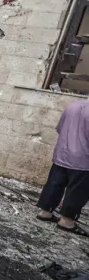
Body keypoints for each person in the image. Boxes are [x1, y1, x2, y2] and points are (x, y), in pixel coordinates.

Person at [36, 98, 89, 236]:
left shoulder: (72, 106)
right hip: (83, 158)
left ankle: (45, 212)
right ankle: (67, 221)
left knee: (54, 184)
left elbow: (60, 128)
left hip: (62, 153)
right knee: (78, 190)